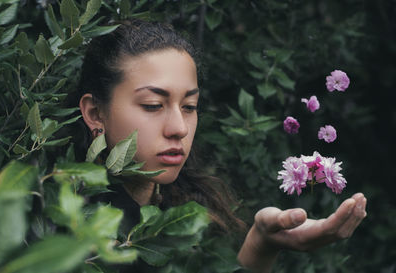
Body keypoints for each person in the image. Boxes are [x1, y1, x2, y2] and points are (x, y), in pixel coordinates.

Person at [73, 19, 367, 272]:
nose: (179, 128)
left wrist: (262, 242)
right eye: (153, 105)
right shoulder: (84, 238)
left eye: (189, 106)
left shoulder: (181, 210)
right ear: (95, 113)